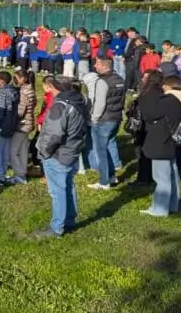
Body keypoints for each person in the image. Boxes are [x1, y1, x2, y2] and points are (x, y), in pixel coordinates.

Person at [32, 76, 86, 239]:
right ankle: (69, 220)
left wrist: (43, 151)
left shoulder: (60, 106)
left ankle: (57, 227)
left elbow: (54, 134)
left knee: (58, 191)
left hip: (58, 154)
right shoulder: (78, 101)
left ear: (55, 88)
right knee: (68, 186)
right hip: (71, 150)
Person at [138, 76, 181, 217]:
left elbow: (149, 115)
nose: (162, 88)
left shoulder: (168, 101)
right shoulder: (178, 101)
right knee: (172, 175)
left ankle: (160, 209)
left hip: (161, 142)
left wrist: (144, 99)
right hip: (170, 142)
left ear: (170, 86)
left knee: (161, 177)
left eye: (165, 86)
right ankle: (172, 205)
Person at [87, 58, 126, 190]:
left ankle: (104, 182)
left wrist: (94, 118)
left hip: (104, 120)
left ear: (104, 66)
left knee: (101, 152)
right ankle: (112, 177)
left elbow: (100, 103)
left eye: (97, 64)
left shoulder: (102, 81)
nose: (95, 66)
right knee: (109, 147)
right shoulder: (120, 79)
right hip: (116, 117)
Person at [0, 71, 19, 188]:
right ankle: (3, 174)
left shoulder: (2, 93)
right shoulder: (14, 91)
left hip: (1, 128)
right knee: (5, 152)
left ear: (1, 80)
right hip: (10, 126)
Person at [11, 70, 36, 184]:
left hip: (21, 125)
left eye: (16, 78)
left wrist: (11, 121)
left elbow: (20, 112)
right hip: (27, 124)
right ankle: (22, 173)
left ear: (23, 79)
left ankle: (19, 174)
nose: (14, 81)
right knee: (23, 150)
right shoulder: (30, 90)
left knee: (13, 151)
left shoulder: (23, 93)